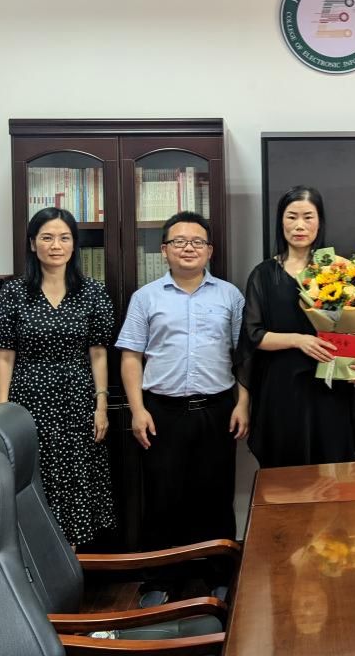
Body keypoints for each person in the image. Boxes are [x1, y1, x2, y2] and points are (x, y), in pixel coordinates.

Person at [116, 210, 247, 603]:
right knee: (162, 497)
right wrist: (137, 409)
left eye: (197, 242)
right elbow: (130, 356)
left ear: (210, 250)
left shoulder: (230, 295)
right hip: (162, 411)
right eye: (179, 241)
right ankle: (160, 580)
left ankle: (219, 575)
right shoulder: (146, 297)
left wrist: (243, 404)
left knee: (216, 497)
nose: (188, 248)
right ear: (164, 250)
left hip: (217, 409)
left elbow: (244, 356)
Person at [0, 206, 115, 547]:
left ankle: (69, 560)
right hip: (28, 399)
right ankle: (34, 561)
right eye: (47, 237)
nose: (56, 245)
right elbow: (5, 357)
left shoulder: (92, 292)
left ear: (74, 244)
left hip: (77, 399)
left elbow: (98, 353)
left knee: (75, 474)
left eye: (64, 237)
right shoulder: (14, 292)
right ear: (33, 244)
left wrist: (101, 405)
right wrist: (1, 415)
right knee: (34, 473)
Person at [243, 186, 355, 468]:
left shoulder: (339, 270)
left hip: (330, 385)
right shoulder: (264, 274)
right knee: (285, 475)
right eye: (292, 217)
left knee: (333, 474)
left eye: (308, 217)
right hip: (282, 388)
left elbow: (352, 325)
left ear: (319, 222)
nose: (299, 225)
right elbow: (253, 335)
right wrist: (299, 340)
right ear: (281, 222)